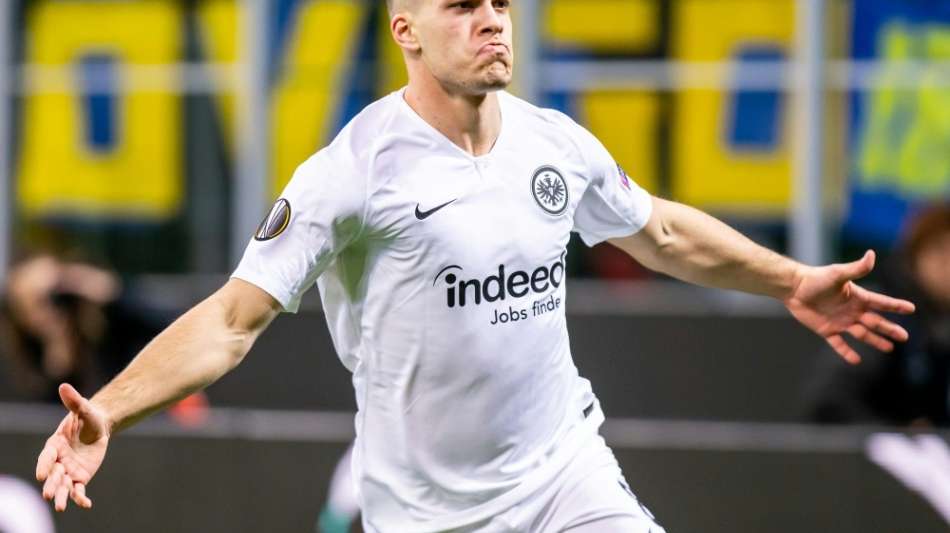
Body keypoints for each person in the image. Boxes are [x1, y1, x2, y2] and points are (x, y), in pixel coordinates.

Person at [35, 1, 915, 531]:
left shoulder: (553, 142)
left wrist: (791, 279)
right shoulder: (352, 172)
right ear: (406, 31)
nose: (492, 18)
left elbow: (662, 233)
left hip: (566, 478)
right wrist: (109, 407)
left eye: (498, 2)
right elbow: (231, 322)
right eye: (462, 5)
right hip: (426, 514)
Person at [807, 204, 950, 427]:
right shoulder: (880, 317)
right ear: (914, 258)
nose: (947, 265)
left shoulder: (938, 323)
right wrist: (896, 437)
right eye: (940, 252)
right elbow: (830, 403)